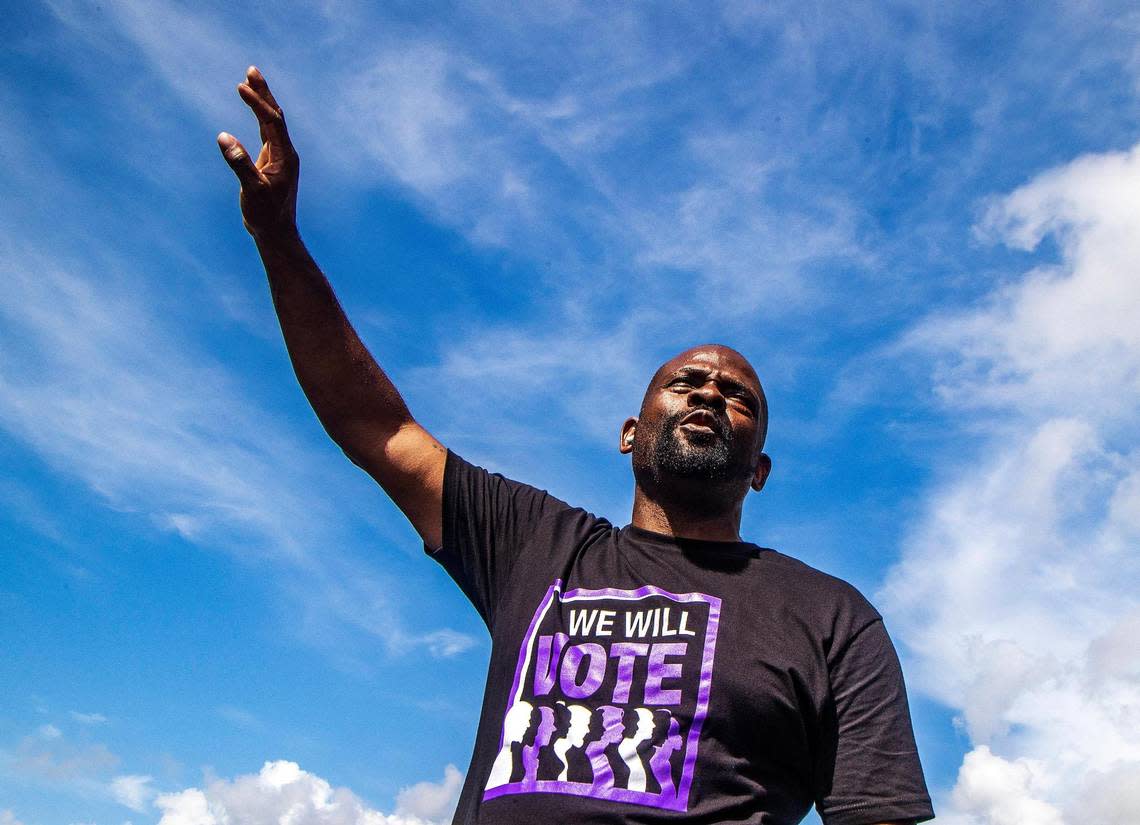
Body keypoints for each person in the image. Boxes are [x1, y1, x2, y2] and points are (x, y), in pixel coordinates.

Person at [217, 66, 935, 825]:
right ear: (631, 434)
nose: (711, 393)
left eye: (739, 398)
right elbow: (378, 428)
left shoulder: (832, 617)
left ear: (758, 470)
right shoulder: (535, 545)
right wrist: (278, 240)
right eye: (686, 382)